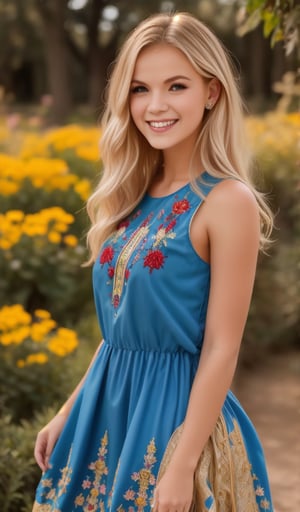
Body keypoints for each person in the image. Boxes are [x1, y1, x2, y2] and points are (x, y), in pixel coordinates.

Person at [32, 12, 274, 512]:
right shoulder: (133, 195)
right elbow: (119, 334)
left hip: (175, 422)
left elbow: (222, 348)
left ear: (211, 92)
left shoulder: (228, 201)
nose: (155, 105)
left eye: (176, 86)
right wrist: (68, 411)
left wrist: (183, 464)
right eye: (140, 89)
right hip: (105, 411)